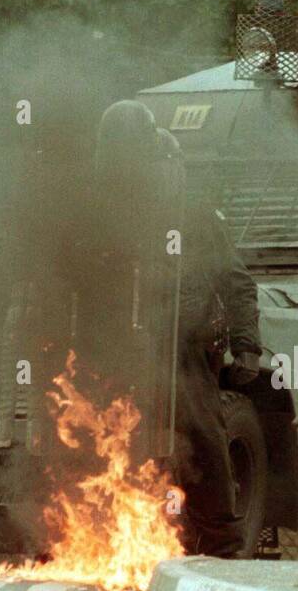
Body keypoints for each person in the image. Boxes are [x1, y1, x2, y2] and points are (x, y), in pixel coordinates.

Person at [96, 101, 261, 557]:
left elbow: (233, 277)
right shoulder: (99, 210)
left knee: (203, 440)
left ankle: (223, 544)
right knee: (105, 440)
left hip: (183, 346)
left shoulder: (191, 212)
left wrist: (246, 343)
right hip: (118, 347)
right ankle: (101, 536)